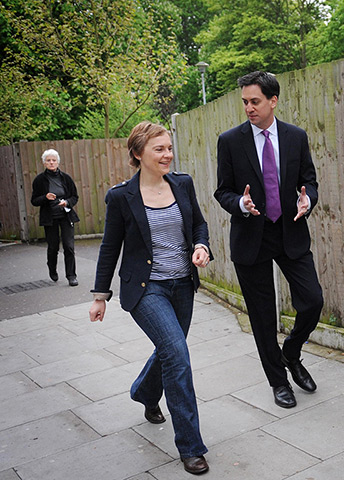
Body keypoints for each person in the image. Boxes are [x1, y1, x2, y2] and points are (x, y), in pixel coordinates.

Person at [89, 121, 212, 475]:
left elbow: (199, 225)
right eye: (159, 149)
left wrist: (201, 246)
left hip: (182, 285)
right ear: (138, 153)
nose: (168, 155)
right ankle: (191, 447)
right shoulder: (121, 196)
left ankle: (144, 392)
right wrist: (101, 296)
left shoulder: (183, 184)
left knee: (169, 352)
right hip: (146, 290)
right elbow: (110, 247)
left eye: (169, 148)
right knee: (178, 355)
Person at [214, 71, 324, 409]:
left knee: (312, 301)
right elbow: (223, 191)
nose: (248, 107)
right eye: (245, 102)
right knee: (262, 317)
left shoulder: (295, 137)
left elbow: (310, 181)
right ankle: (278, 382)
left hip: (290, 231)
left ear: (273, 101)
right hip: (251, 236)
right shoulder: (230, 141)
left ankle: (291, 352)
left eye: (255, 101)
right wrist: (241, 204)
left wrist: (308, 201)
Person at [31, 149, 80, 286]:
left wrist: (67, 202)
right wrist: (45, 197)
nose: (51, 163)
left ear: (58, 162)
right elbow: (34, 201)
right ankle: (52, 269)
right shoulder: (39, 180)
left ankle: (71, 276)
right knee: (53, 247)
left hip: (65, 216)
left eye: (53, 160)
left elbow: (74, 196)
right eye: (48, 160)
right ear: (44, 163)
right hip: (49, 217)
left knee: (69, 246)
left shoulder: (66, 178)